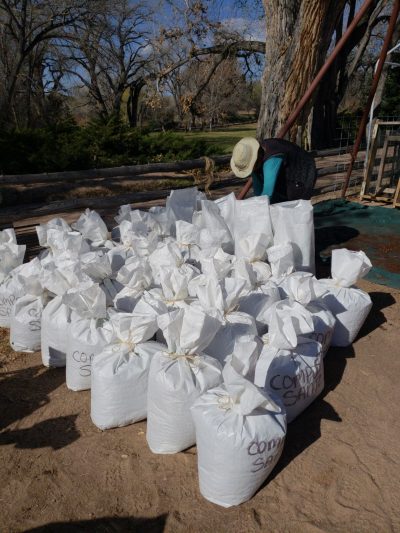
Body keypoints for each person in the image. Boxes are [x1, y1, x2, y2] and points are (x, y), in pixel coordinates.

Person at [230, 137, 317, 203]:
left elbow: (267, 193)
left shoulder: (272, 159)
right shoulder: (257, 159)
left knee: (293, 203)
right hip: (286, 172)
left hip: (303, 170)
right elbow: (258, 190)